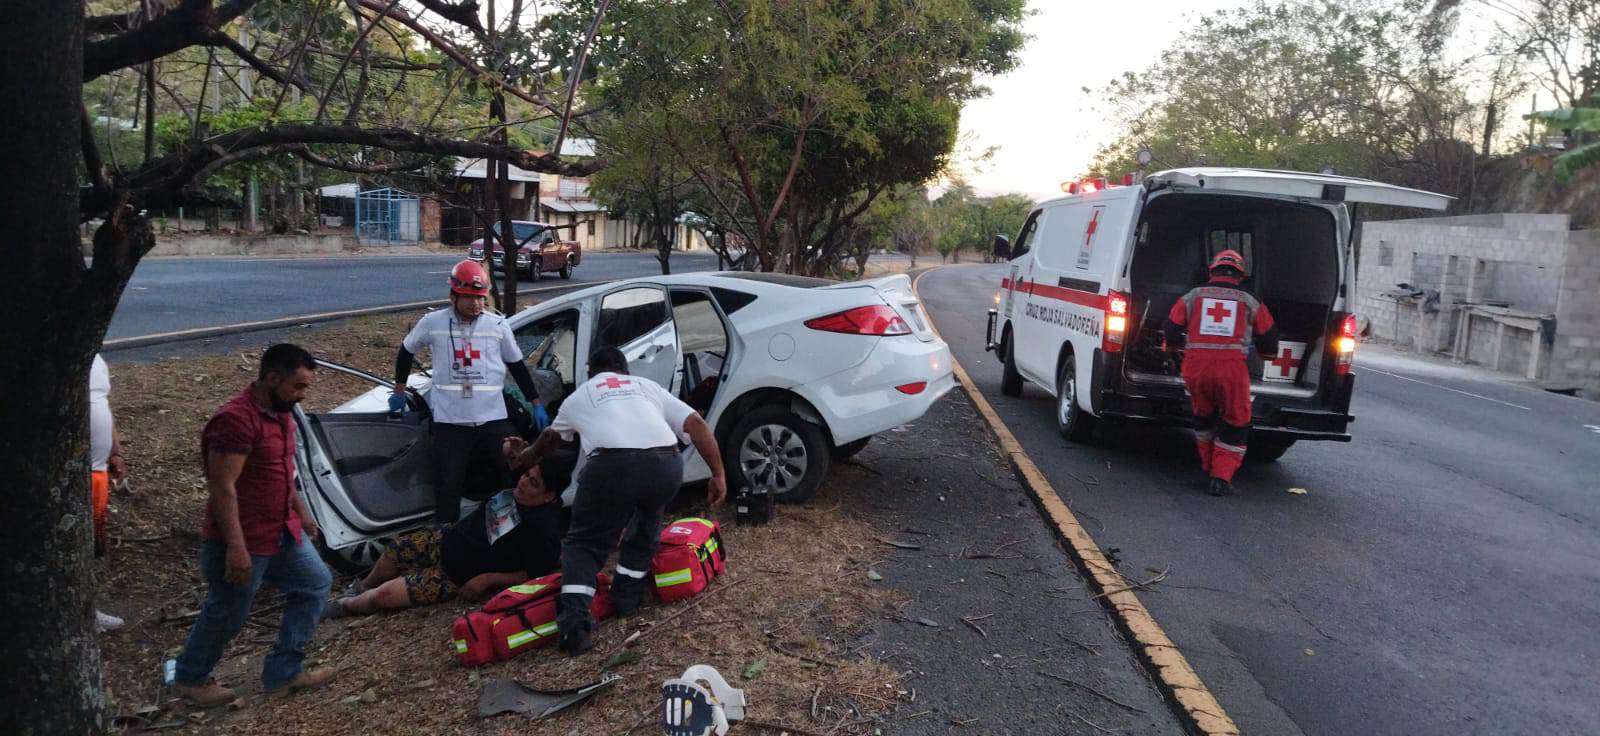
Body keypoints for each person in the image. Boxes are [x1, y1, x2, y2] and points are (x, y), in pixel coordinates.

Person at [507, 347, 728, 655]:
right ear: (624, 371)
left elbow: (549, 441)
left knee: (584, 544)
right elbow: (697, 425)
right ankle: (627, 599)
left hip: (612, 466)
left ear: (590, 372)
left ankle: (575, 627)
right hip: (665, 464)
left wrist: (524, 457)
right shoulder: (647, 387)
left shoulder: (581, 395)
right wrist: (718, 474)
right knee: (647, 525)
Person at [171, 344, 336, 705]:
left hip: (281, 530)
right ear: (272, 378)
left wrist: (302, 512)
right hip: (242, 538)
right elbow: (222, 486)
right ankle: (190, 677)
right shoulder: (235, 421)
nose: (301, 396)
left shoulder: (283, 413)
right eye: (297, 387)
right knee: (229, 610)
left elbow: (281, 472)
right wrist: (236, 546)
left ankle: (283, 672)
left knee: (315, 584)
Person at [393, 259, 542, 522]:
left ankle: (510, 533)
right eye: (469, 298)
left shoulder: (497, 325)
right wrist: (399, 390)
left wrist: (536, 402)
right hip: (450, 422)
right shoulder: (433, 322)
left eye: (481, 298)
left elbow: (517, 365)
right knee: (448, 487)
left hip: (492, 419)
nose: (476, 304)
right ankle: (449, 544)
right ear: (454, 295)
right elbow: (406, 350)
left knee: (514, 473)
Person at [325, 464, 561, 618]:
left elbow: (538, 573)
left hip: (455, 575)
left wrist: (489, 579)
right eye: (526, 475)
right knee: (396, 549)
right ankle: (362, 586)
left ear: (548, 495)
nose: (523, 482)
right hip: (445, 540)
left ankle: (344, 607)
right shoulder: (513, 491)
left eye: (533, 483)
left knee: (383, 597)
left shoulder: (542, 529)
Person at [1163, 249, 1279, 497]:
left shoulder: (1193, 296)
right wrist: (1267, 355)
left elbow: (1171, 329)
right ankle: (1221, 477)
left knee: (1203, 418)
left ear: (1211, 271)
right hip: (1231, 372)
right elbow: (1269, 339)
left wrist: (1172, 348)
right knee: (1235, 422)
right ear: (1240, 275)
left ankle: (1207, 466)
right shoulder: (1249, 300)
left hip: (1196, 370)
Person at [88, 354, 128, 631]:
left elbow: (102, 403)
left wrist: (114, 449)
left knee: (90, 543)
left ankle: (86, 608)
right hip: (69, 472)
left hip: (97, 471)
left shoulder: (94, 356)